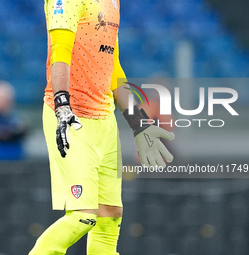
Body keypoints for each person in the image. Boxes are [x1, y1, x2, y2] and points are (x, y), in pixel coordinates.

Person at [28, 0, 175, 254]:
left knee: (110, 215)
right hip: (71, 117)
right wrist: (63, 107)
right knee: (83, 216)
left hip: (104, 120)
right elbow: (60, 51)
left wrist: (138, 123)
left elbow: (113, 67)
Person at [0, 80, 29, 161]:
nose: (1, 102)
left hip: (17, 161)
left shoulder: (16, 117)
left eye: (4, 99)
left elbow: (23, 130)